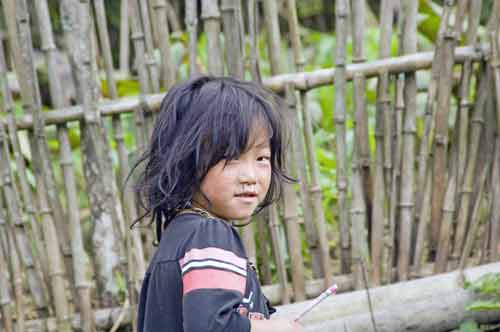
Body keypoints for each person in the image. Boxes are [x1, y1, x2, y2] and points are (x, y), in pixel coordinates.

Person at [131, 76, 304, 332]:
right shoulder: (209, 234)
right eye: (232, 158)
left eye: (261, 158)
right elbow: (213, 327)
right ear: (188, 159)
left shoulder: (179, 238)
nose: (250, 176)